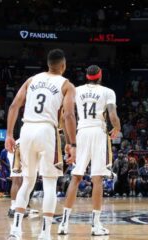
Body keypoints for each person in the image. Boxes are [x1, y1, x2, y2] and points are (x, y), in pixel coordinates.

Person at [5, 49, 77, 240]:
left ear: (48, 64)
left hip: (26, 129)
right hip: (47, 130)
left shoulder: (31, 80)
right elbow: (69, 115)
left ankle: (16, 230)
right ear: (63, 65)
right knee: (50, 183)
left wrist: (9, 135)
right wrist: (72, 143)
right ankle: (45, 233)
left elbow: (14, 106)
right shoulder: (67, 85)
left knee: (27, 182)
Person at [58, 65, 120, 236]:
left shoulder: (76, 90)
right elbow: (112, 115)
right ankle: (95, 225)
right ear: (100, 77)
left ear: (86, 76)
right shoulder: (108, 91)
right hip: (98, 132)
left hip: (81, 131)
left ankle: (63, 223)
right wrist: (117, 127)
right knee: (97, 179)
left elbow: (64, 115)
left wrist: (68, 139)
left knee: (76, 177)